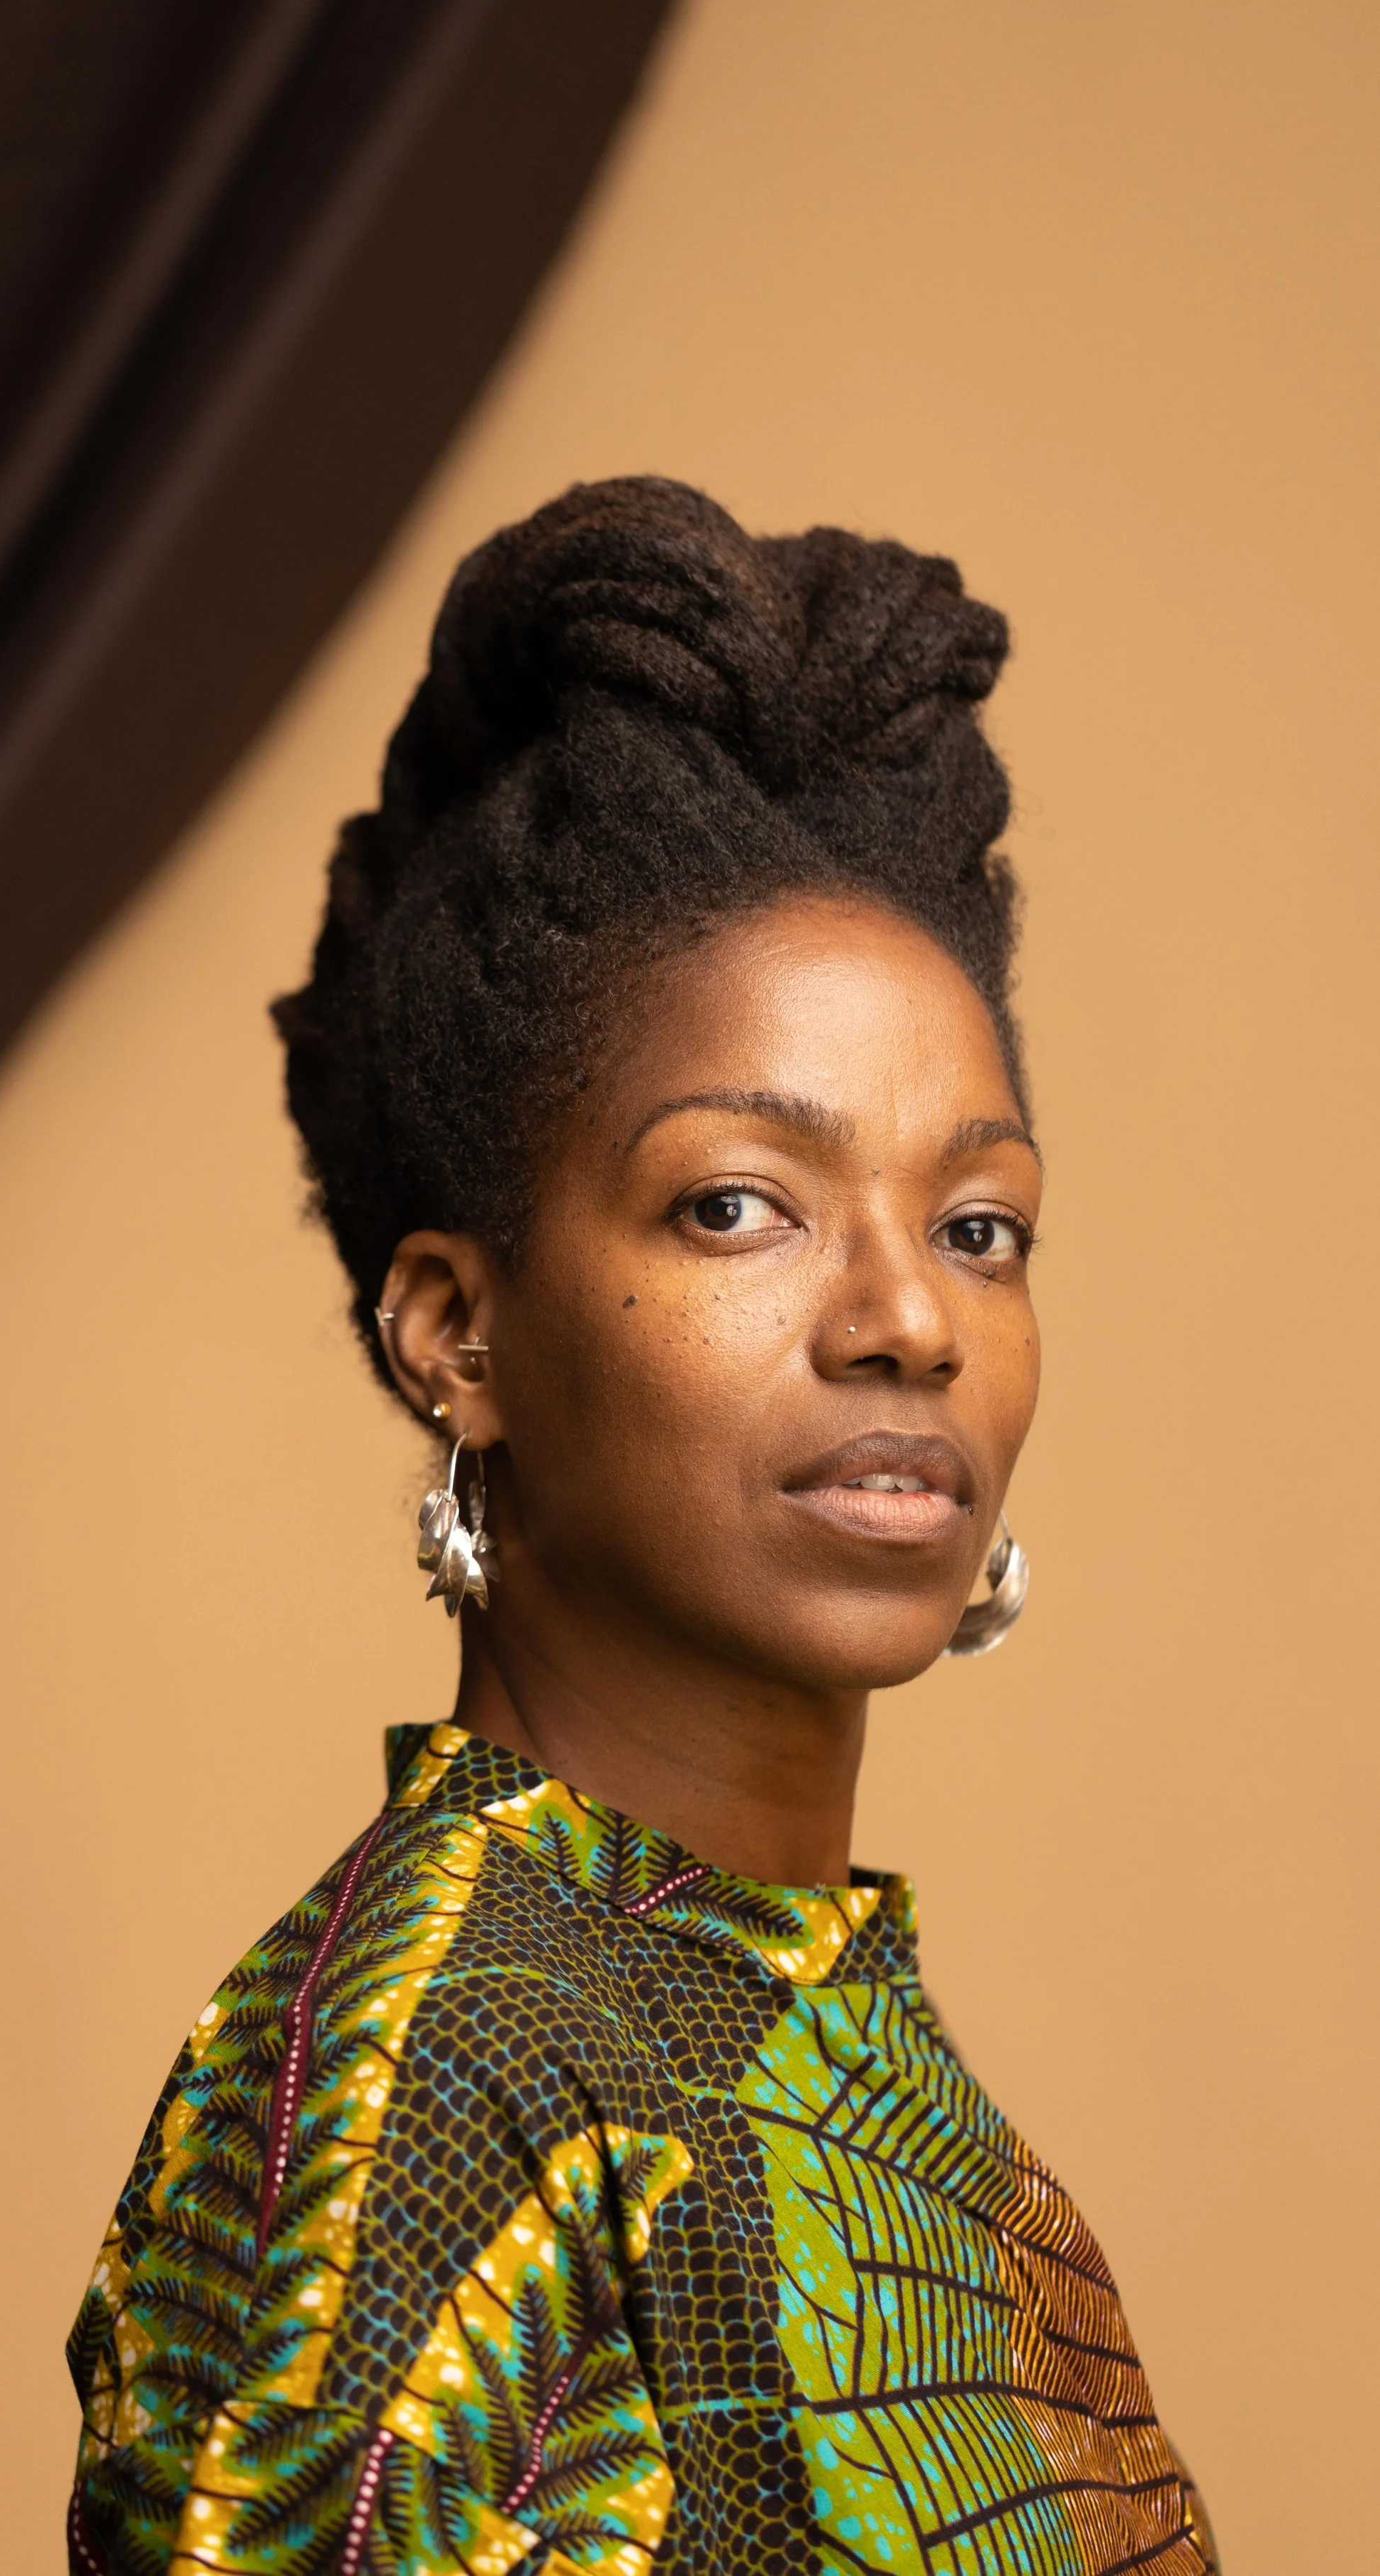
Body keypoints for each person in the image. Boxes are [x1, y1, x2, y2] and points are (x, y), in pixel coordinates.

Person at [66, 478, 1216, 2574]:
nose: (903, 1321)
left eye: (978, 1225)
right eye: (735, 1204)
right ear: (456, 1329)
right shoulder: (429, 2076)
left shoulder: (862, 2063)